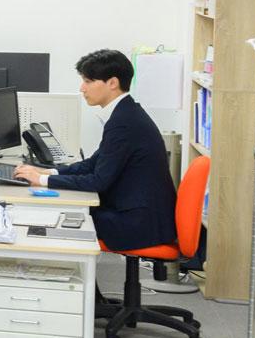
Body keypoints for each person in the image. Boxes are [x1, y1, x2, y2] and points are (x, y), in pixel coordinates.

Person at [14, 49, 177, 251]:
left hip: (138, 223)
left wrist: (41, 180)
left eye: (88, 81)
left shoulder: (124, 123)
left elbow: (98, 180)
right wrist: (48, 172)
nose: (82, 88)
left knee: (56, 218)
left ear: (112, 83)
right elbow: (93, 164)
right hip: (141, 215)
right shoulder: (126, 113)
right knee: (58, 214)